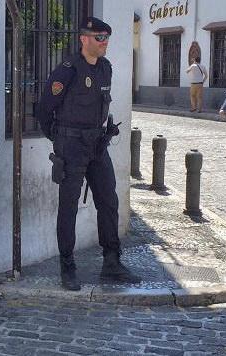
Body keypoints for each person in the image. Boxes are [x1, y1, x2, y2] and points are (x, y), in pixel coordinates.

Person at [36, 17, 141, 291]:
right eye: (99, 38)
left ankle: (111, 262)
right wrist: (60, 139)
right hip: (71, 147)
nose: (104, 42)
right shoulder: (67, 70)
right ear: (84, 39)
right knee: (68, 206)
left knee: (109, 200)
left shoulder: (105, 68)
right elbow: (45, 109)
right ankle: (67, 266)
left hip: (97, 145)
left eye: (107, 38)